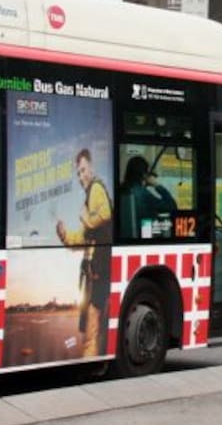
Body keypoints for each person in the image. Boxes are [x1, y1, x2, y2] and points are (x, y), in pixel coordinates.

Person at [56, 148, 112, 358]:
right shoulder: (90, 196)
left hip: (97, 272)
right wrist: (65, 236)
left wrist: (85, 218)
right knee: (93, 329)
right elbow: (83, 237)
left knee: (91, 329)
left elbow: (105, 214)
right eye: (78, 173)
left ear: (92, 168)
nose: (81, 177)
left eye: (83, 170)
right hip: (92, 273)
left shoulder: (95, 188)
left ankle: (91, 363)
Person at [120, 156, 178, 239]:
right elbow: (172, 206)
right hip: (143, 237)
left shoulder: (121, 189)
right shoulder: (143, 194)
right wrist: (157, 185)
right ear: (144, 175)